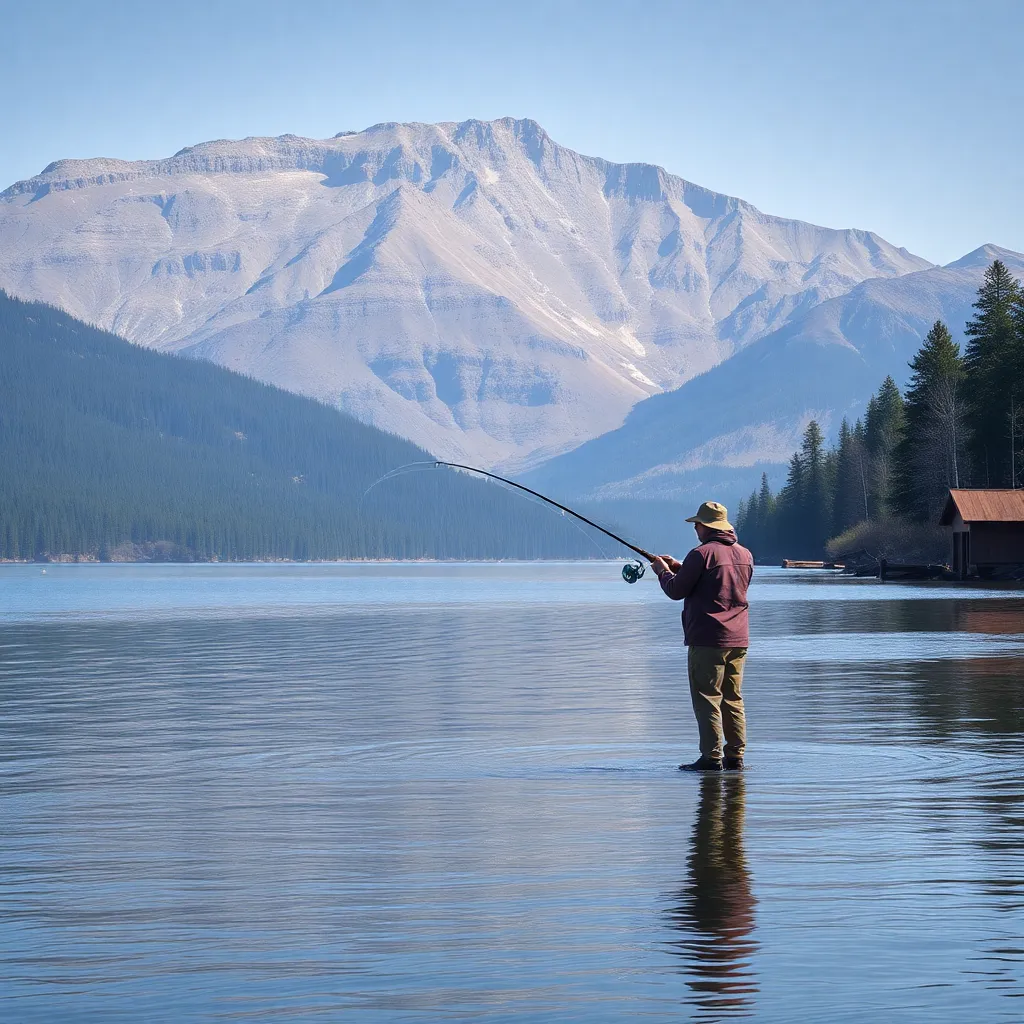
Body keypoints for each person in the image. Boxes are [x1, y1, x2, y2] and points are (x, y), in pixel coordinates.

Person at [649, 501, 754, 772]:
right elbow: (721, 580)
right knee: (733, 698)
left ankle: (711, 758)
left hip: (708, 638)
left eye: (697, 524)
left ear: (706, 527)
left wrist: (662, 571)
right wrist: (680, 565)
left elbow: (675, 590)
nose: (695, 528)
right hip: (739, 639)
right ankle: (736, 757)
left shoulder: (701, 554)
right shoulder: (745, 554)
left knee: (707, 697)